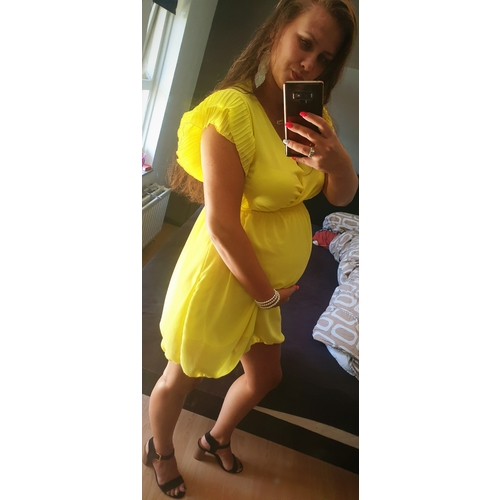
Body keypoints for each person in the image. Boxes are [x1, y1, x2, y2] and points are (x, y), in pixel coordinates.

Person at [142, 0, 358, 497]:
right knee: (181, 377)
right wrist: (267, 296)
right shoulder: (230, 113)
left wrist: (338, 161)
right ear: (278, 30)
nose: (309, 64)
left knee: (265, 377)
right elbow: (221, 224)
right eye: (305, 43)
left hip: (265, 289)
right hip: (226, 278)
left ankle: (215, 438)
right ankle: (161, 450)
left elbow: (339, 197)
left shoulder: (310, 117)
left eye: (324, 58)